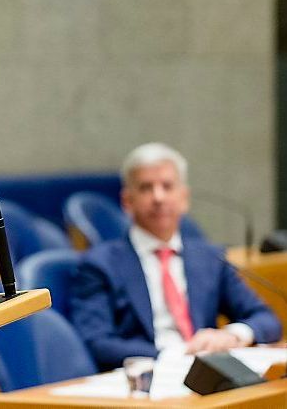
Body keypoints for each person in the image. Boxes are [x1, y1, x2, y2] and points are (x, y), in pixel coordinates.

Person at [70, 142, 280, 371]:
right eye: (146, 188)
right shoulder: (100, 264)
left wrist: (233, 335)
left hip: (206, 374)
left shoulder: (210, 258)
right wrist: (177, 353)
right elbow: (98, 342)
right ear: (127, 201)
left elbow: (266, 319)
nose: (158, 197)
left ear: (184, 198)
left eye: (167, 186)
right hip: (149, 376)